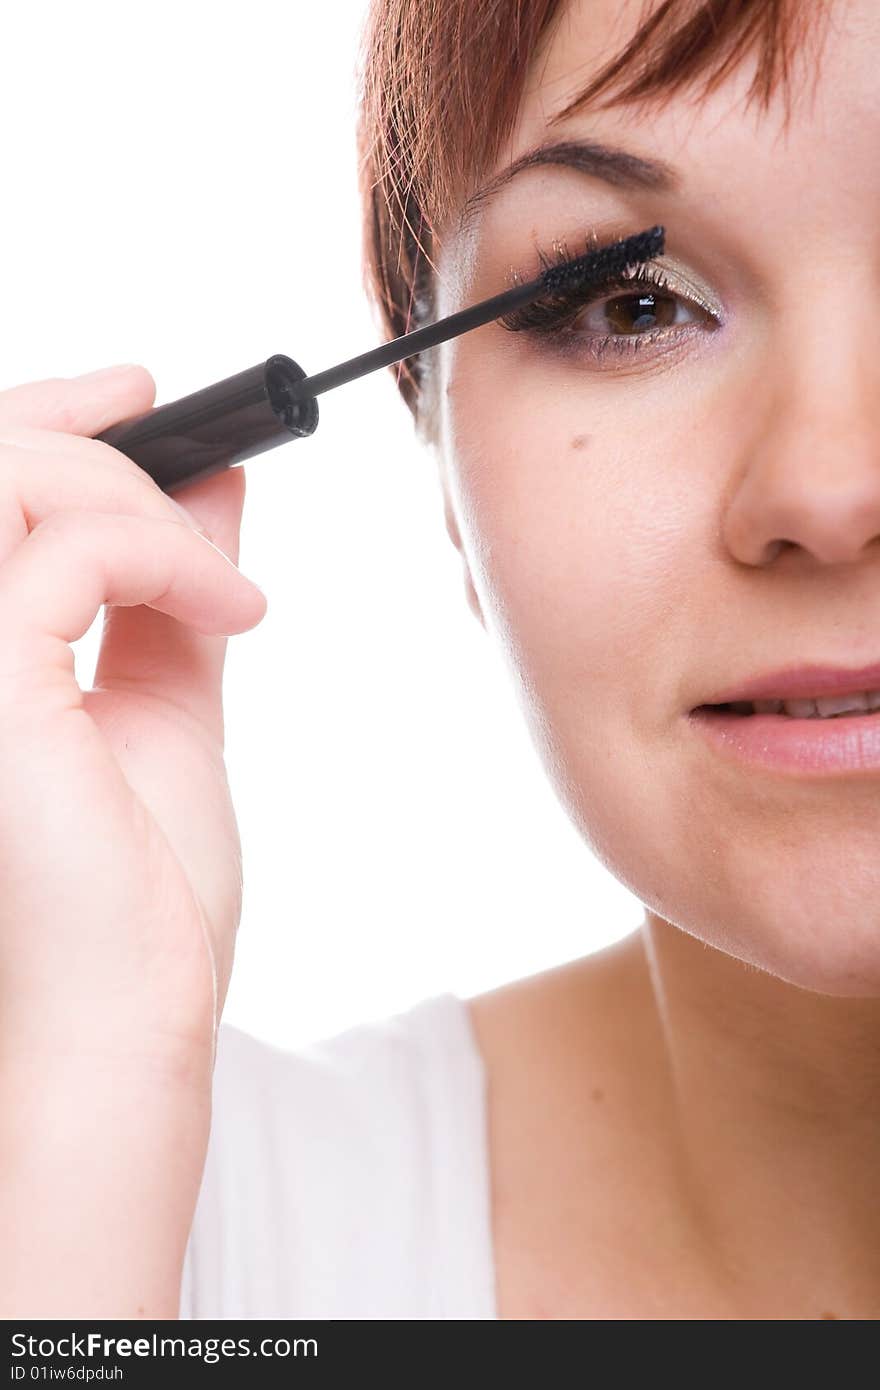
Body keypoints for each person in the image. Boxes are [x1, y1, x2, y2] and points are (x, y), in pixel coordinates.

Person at [2, 0, 878, 1321]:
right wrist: (77, 1105)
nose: (828, 485)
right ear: (445, 462)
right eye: (633, 304)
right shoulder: (159, 1227)